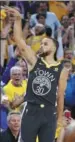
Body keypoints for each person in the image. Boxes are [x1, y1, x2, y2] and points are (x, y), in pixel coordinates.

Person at [5, 7, 69, 142]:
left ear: (54, 47)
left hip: (49, 111)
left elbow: (60, 95)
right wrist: (17, 20)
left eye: (46, 43)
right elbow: (20, 42)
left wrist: (59, 118)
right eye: (41, 43)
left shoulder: (62, 69)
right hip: (31, 110)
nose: (42, 45)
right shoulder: (34, 61)